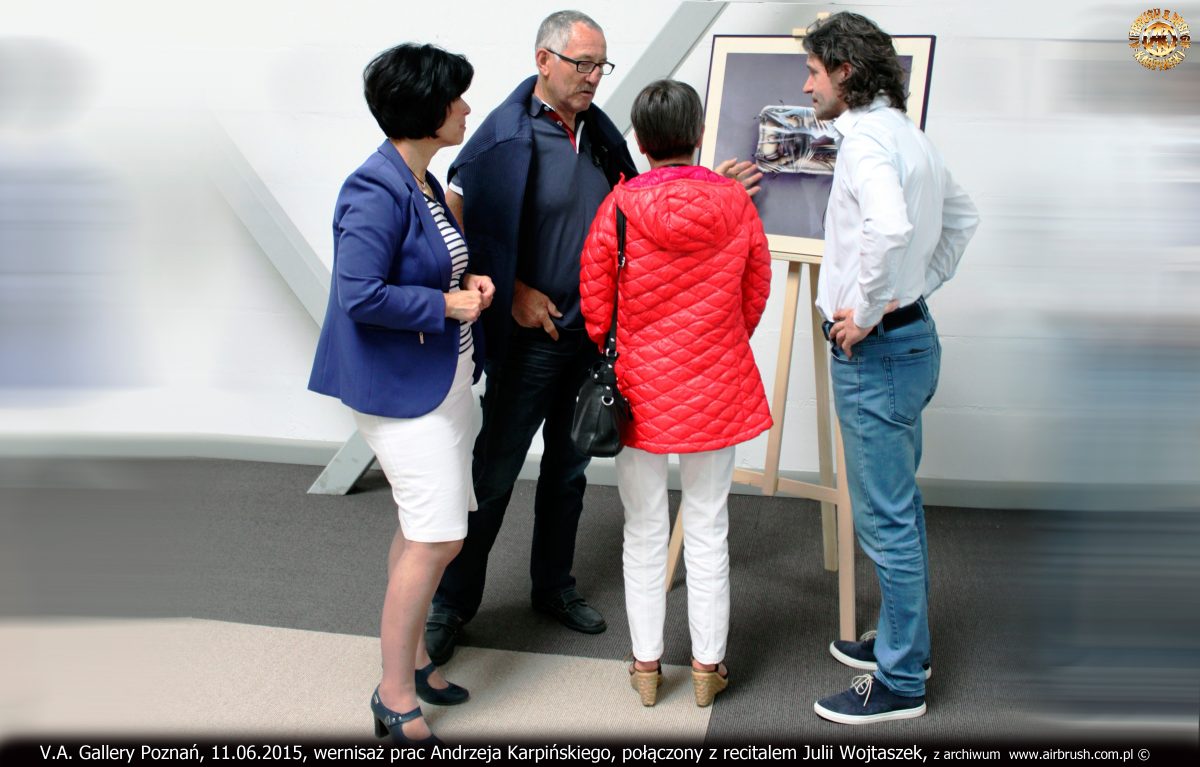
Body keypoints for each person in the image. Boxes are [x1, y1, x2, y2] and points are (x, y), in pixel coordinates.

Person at [422, 10, 639, 662]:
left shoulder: (599, 134)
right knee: (492, 474)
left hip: (588, 335)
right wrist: (509, 291)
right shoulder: (503, 136)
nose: (594, 77)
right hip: (533, 338)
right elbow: (456, 221)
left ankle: (554, 586)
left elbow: (627, 209)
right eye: (583, 65)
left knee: (569, 473)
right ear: (544, 61)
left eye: (602, 65)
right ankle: (450, 604)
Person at [307, 43, 494, 744]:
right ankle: (393, 696)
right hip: (400, 388)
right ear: (426, 110)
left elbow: (434, 265)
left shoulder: (421, 180)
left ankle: (413, 660)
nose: (467, 108)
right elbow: (359, 294)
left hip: (441, 378)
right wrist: (445, 307)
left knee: (424, 530)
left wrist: (466, 288)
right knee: (438, 534)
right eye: (457, 99)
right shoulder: (374, 187)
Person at [800, 13, 980, 724]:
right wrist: (914, 292)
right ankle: (911, 644)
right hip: (911, 344)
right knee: (894, 510)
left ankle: (903, 679)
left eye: (813, 69)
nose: (806, 83)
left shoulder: (869, 142)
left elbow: (891, 228)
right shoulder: (907, 136)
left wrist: (870, 309)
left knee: (885, 520)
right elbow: (963, 219)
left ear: (845, 70)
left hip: (877, 354)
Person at [579, 80, 773, 708]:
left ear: (639, 139)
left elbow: (594, 304)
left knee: (642, 528)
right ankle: (708, 671)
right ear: (698, 136)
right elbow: (755, 291)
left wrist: (631, 347)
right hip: (716, 384)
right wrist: (717, 342)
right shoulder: (737, 206)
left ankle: (645, 668)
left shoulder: (619, 206)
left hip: (638, 390)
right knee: (710, 526)